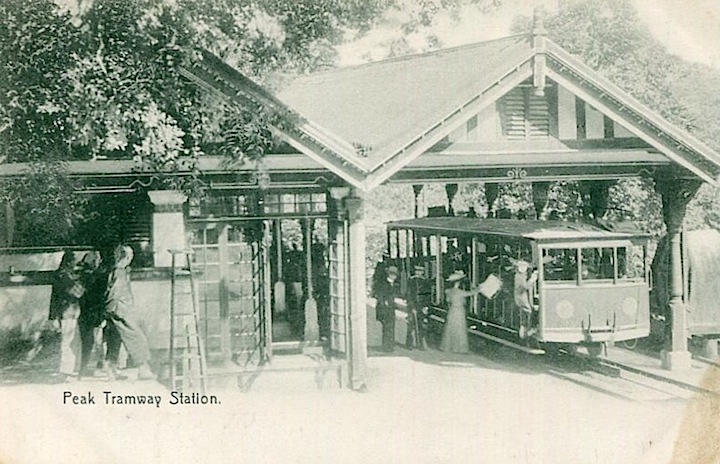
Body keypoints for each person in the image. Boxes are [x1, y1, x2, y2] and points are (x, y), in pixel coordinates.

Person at [104, 245, 155, 380]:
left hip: (116, 310)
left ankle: (111, 370)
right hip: (121, 311)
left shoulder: (115, 270)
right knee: (137, 338)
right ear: (126, 257)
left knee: (114, 339)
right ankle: (143, 369)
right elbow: (114, 293)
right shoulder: (120, 272)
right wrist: (110, 309)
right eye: (130, 256)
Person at [48, 250, 84, 380]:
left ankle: (70, 369)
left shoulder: (61, 274)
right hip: (68, 312)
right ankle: (67, 370)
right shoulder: (64, 276)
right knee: (69, 342)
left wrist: (52, 316)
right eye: (74, 261)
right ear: (69, 262)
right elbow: (78, 292)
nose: (75, 264)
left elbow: (53, 297)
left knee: (70, 341)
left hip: (67, 312)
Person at [77, 250, 107, 378]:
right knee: (94, 341)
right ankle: (91, 367)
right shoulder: (95, 276)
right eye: (96, 260)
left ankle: (86, 367)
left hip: (86, 313)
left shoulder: (81, 275)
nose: (98, 262)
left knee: (88, 342)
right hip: (94, 313)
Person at [441, 270, 484, 354]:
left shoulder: (448, 291)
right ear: (458, 283)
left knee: (451, 328)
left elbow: (448, 301)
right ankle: (459, 348)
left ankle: (450, 347)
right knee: (460, 329)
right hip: (459, 311)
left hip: (452, 310)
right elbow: (471, 293)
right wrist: (480, 288)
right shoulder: (459, 292)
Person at [374, 265, 403, 352]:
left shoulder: (395, 285)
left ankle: (390, 345)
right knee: (387, 328)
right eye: (392, 274)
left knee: (391, 327)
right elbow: (380, 296)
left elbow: (396, 296)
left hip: (391, 309)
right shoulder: (383, 284)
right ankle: (386, 346)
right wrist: (384, 303)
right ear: (389, 274)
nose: (393, 276)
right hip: (384, 309)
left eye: (395, 275)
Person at [405, 265, 430, 350]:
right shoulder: (411, 280)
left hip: (421, 306)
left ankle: (420, 343)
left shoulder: (425, 281)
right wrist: (412, 306)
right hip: (413, 305)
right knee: (411, 324)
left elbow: (427, 294)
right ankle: (409, 343)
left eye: (420, 271)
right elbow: (408, 294)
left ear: (423, 272)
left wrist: (426, 306)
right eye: (417, 271)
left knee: (421, 324)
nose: (419, 273)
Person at [514, 260, 539, 339]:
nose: (523, 268)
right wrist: (532, 279)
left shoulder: (521, 275)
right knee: (527, 311)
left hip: (522, 296)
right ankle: (527, 332)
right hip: (521, 297)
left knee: (527, 311)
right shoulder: (519, 277)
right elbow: (525, 286)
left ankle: (527, 331)